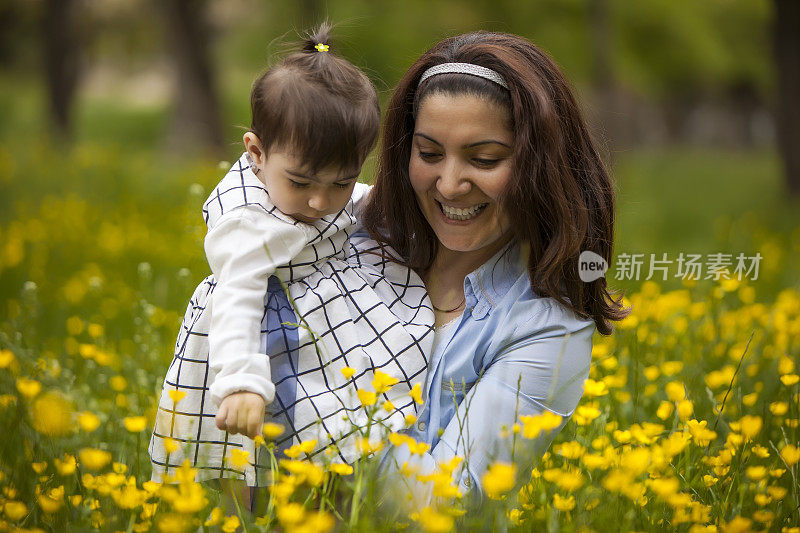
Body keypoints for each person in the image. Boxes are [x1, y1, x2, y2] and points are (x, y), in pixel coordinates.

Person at [147, 23, 434, 510]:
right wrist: (240, 380)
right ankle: (259, 514)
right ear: (256, 152)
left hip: (329, 324)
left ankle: (336, 505)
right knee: (259, 460)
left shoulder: (326, 194)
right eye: (301, 182)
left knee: (338, 438)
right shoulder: (247, 224)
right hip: (266, 337)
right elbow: (236, 297)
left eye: (341, 183)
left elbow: (363, 205)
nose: (321, 201)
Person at [359, 31, 627, 501]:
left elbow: (447, 501)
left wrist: (298, 410)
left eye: (484, 159)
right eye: (429, 153)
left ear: (539, 166)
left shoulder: (548, 327)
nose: (450, 183)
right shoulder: (348, 233)